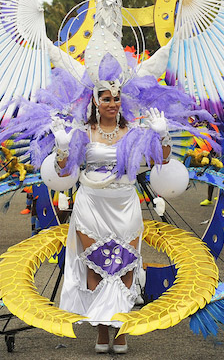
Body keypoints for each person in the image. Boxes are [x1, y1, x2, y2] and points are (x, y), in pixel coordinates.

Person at [54, 89, 170, 354]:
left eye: (116, 98)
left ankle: (120, 328)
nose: (112, 104)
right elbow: (64, 170)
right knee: (96, 263)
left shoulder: (134, 131)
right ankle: (102, 329)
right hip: (91, 202)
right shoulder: (83, 132)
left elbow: (160, 159)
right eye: (106, 99)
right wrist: (62, 146)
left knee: (125, 263)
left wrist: (162, 134)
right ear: (96, 101)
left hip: (124, 202)